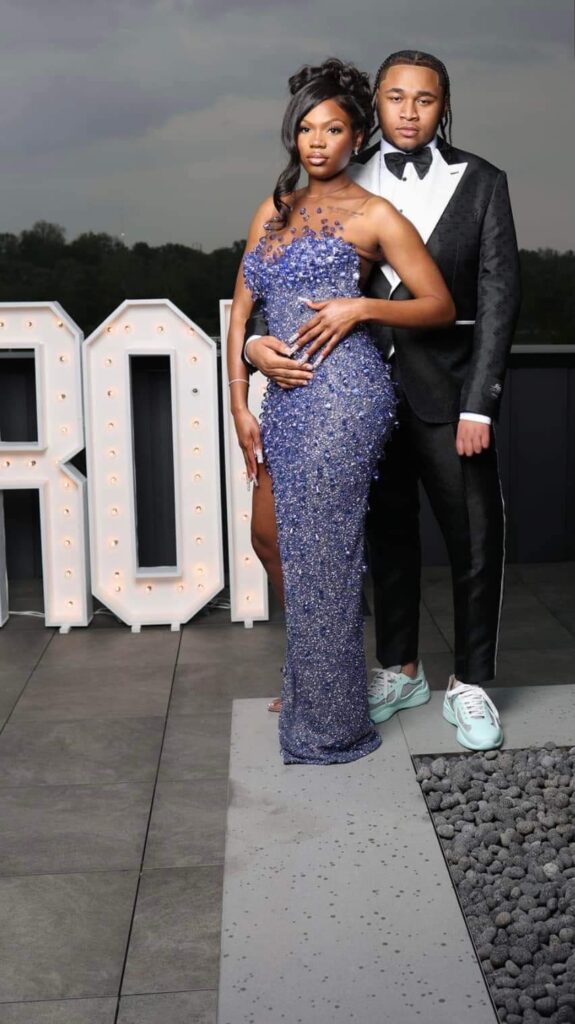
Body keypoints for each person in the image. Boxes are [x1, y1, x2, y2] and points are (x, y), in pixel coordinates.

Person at [244, 50, 521, 753]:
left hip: (445, 394)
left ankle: (472, 683)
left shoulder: (482, 183)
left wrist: (479, 404)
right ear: (374, 110)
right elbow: (270, 285)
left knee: (472, 537)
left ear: (442, 106)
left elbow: (495, 301)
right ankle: (400, 669)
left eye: (422, 99)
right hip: (355, 399)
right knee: (386, 539)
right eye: (393, 97)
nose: (406, 111)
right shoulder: (336, 173)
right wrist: (252, 348)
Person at [227, 58, 455, 765]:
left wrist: (361, 305)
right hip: (279, 393)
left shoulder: (374, 214)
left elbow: (439, 305)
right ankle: (317, 673)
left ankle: (328, 710)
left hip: (344, 395)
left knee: (321, 553)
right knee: (270, 538)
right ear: (292, 136)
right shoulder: (273, 208)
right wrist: (245, 384)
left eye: (331, 128)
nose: (316, 141)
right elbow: (240, 315)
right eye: (304, 128)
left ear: (356, 138)